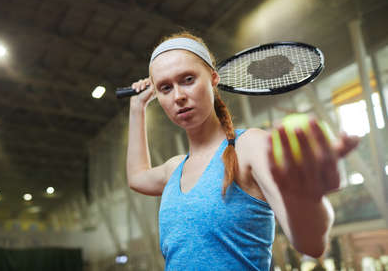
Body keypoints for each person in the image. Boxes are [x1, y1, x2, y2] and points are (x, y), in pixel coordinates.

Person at [126, 31, 359, 270]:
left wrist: (310, 198)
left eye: (188, 79)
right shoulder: (174, 169)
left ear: (213, 79)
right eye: (165, 88)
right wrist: (137, 107)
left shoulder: (249, 147)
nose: (178, 96)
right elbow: (137, 177)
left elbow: (311, 244)